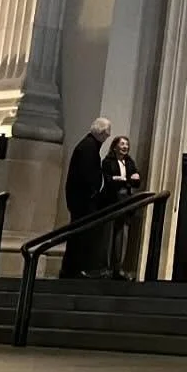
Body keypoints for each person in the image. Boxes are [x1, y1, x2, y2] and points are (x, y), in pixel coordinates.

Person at [61, 116, 112, 279]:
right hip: (83, 201)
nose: (107, 138)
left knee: (78, 234)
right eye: (107, 134)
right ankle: (77, 269)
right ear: (102, 133)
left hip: (79, 199)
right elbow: (87, 176)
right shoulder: (89, 148)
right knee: (81, 235)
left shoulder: (87, 146)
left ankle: (73, 268)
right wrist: (95, 193)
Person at [101, 134, 143, 281]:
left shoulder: (129, 162)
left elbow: (135, 179)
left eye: (127, 144)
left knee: (123, 233)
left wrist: (134, 178)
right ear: (115, 146)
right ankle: (106, 267)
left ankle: (119, 267)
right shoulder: (108, 162)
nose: (125, 147)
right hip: (112, 199)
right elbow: (107, 179)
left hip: (126, 199)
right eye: (122, 144)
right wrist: (117, 180)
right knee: (110, 232)